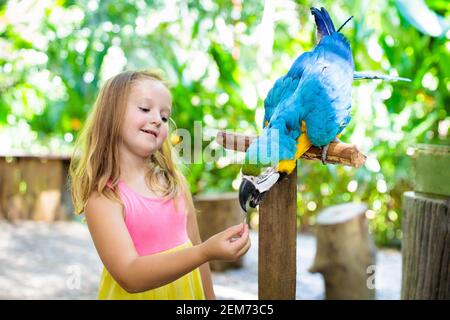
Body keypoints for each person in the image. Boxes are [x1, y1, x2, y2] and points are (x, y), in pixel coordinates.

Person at [69, 70, 250, 299]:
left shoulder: (174, 184)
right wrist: (205, 253)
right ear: (111, 114)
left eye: (164, 117)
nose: (157, 119)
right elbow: (129, 276)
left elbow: (196, 247)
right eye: (145, 109)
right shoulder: (104, 197)